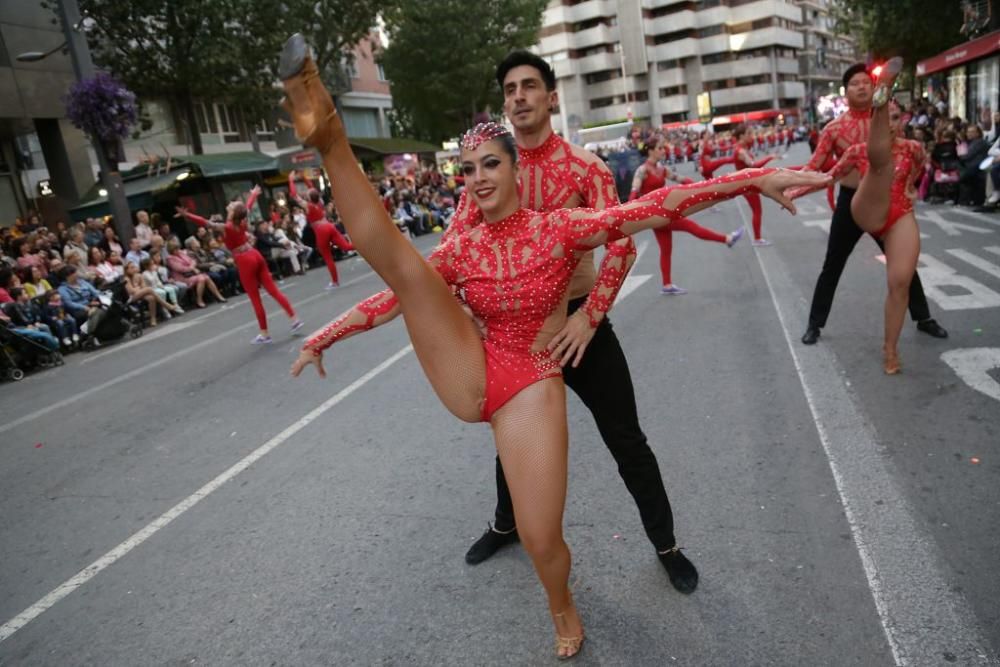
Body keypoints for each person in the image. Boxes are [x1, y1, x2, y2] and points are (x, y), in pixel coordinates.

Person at [279, 34, 826, 659]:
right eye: (471, 166)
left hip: (550, 356)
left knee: (569, 509)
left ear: (527, 140)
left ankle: (617, 571)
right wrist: (328, 333)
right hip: (476, 360)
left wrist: (756, 179)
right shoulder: (463, 235)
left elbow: (657, 206)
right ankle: (328, 135)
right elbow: (400, 295)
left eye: (491, 163)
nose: (479, 176)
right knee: (405, 269)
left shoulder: (568, 207)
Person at [798, 62, 947, 346]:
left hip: (886, 202)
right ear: (846, 91)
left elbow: (910, 155)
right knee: (833, 264)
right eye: (855, 83)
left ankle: (923, 317)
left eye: (866, 82)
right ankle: (814, 324)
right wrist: (789, 186)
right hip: (850, 202)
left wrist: (910, 186)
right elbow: (814, 167)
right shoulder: (833, 129)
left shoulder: (886, 118)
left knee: (903, 262)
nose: (862, 86)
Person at [176, 186, 303, 344]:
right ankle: (294, 318)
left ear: (233, 212)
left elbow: (204, 222)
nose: (230, 204)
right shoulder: (242, 220)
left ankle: (265, 334)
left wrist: (186, 214)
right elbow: (247, 206)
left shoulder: (227, 227)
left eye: (232, 205)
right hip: (255, 254)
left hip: (244, 259)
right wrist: (253, 195)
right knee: (273, 291)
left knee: (256, 299)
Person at [630, 136, 743, 295]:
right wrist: (629, 216)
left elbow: (681, 179)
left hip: (663, 214)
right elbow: (633, 194)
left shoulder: (662, 169)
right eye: (660, 148)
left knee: (666, 249)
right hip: (658, 216)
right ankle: (727, 239)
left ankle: (667, 284)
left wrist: (702, 186)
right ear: (650, 150)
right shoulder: (642, 170)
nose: (664, 151)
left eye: (663, 148)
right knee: (692, 227)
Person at [288, 170, 354, 287]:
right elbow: (312, 188)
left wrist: (291, 180)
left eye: (307, 193)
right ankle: (367, 243)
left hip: (320, 230)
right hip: (329, 225)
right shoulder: (320, 202)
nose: (306, 192)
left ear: (309, 197)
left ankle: (335, 281)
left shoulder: (308, 205)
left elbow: (294, 195)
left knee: (328, 256)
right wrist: (304, 177)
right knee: (346, 246)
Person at [732, 125, 778, 246]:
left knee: (757, 210)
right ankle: (757, 239)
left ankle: (757, 238)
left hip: (748, 182)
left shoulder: (742, 147)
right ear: (741, 136)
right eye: (749, 134)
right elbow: (753, 166)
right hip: (746, 184)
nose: (751, 136)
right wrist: (770, 157)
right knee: (757, 210)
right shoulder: (741, 151)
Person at [164, 238, 227, 308]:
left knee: (206, 277)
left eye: (178, 248)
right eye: (175, 249)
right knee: (201, 279)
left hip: (191, 274)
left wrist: (191, 267)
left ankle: (218, 296)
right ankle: (199, 300)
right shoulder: (170, 259)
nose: (177, 250)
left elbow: (193, 261)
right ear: (171, 250)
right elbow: (180, 269)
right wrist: (192, 268)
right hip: (182, 278)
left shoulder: (181, 253)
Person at [123, 261, 181, 326]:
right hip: (132, 297)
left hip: (142, 293)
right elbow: (131, 291)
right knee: (149, 289)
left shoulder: (139, 275)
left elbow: (144, 286)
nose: (134, 269)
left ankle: (153, 319)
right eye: (131, 268)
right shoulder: (126, 279)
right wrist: (139, 288)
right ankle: (166, 305)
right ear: (126, 270)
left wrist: (138, 288)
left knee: (151, 298)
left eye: (134, 267)